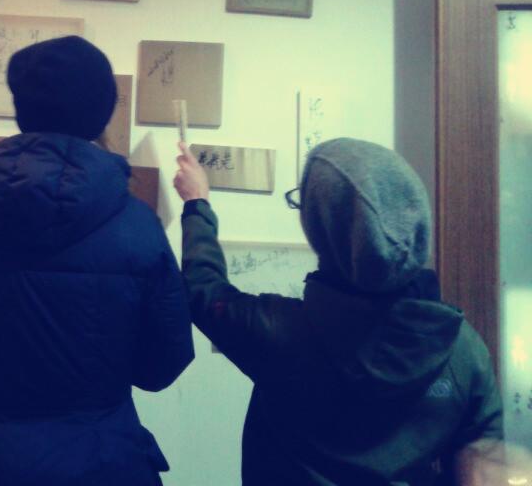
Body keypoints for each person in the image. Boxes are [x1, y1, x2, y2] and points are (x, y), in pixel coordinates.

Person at [0, 36, 194, 486]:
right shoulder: (138, 227)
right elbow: (162, 366)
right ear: (102, 112)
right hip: (104, 463)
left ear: (23, 109)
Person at [173, 137, 503, 485]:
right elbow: (485, 465)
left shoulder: (278, 331)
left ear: (322, 230)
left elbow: (203, 291)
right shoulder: (462, 349)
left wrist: (197, 204)